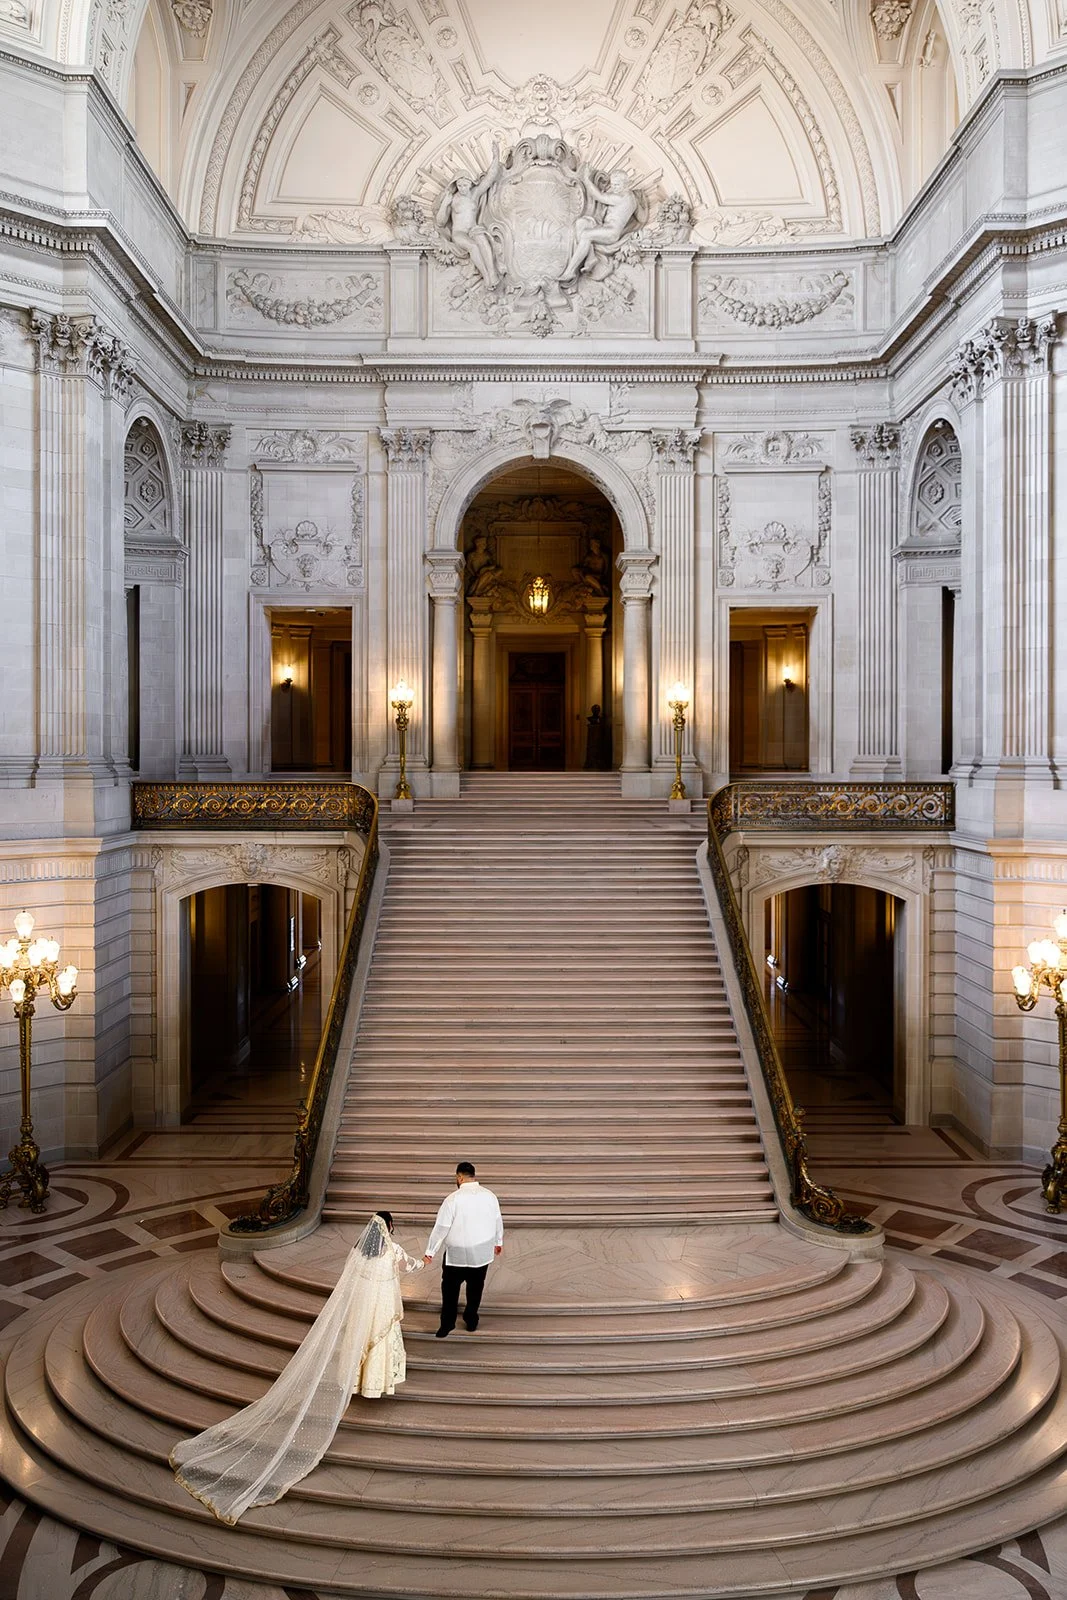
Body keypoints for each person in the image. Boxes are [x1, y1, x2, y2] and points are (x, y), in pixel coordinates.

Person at [170, 1211, 422, 1524]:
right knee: (376, 1350)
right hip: (379, 1312)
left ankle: (358, 1381)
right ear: (389, 1229)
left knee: (357, 1350)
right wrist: (425, 1260)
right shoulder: (392, 1253)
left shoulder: (358, 1253)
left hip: (360, 1313)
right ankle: (372, 1385)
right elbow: (411, 1266)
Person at [423, 1162, 503, 1338]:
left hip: (456, 1255)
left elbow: (441, 1228)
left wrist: (430, 1252)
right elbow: (497, 1220)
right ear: (473, 1175)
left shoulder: (452, 1199)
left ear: (459, 1177)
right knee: (476, 1289)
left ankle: (447, 1324)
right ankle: (471, 1319)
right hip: (482, 1253)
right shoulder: (490, 1196)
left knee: (450, 1291)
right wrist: (498, 1241)